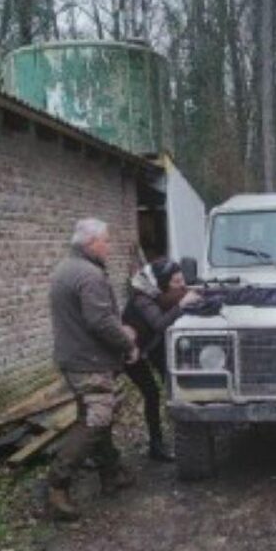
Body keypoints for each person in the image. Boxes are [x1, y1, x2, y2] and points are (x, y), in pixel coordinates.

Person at [46, 219, 139, 521]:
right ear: (91, 243)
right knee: (97, 419)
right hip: (90, 362)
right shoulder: (89, 275)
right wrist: (126, 341)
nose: (109, 247)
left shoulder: (64, 269)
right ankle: (57, 484)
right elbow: (99, 321)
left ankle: (111, 474)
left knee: (95, 415)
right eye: (106, 242)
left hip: (74, 358)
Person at [122, 259, 200, 462]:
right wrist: (182, 303)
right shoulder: (142, 299)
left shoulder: (159, 293)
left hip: (151, 344)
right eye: (176, 282)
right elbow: (159, 324)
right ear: (163, 284)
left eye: (182, 279)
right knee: (151, 393)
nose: (182, 285)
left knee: (174, 383)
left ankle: (189, 429)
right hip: (130, 352)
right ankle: (156, 446)